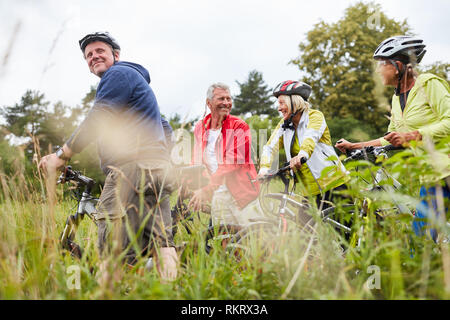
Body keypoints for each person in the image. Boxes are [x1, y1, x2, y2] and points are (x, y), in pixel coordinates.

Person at [38, 32, 178, 281]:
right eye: (88, 55)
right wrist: (158, 159)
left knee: (110, 248)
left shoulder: (118, 74)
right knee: (162, 245)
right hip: (156, 172)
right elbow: (165, 128)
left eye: (99, 51)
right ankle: (175, 293)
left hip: (129, 169)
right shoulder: (136, 82)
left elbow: (99, 117)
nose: (93, 57)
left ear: (116, 55)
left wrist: (62, 154)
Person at [335, 35, 450, 242]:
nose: (378, 70)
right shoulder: (397, 99)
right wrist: (356, 145)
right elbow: (390, 138)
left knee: (420, 239)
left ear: (398, 65)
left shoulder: (428, 83)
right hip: (430, 175)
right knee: (421, 238)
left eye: (382, 64)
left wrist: (413, 135)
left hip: (445, 172)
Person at [259, 80, 348, 210]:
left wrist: (301, 155)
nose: (279, 108)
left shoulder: (315, 116)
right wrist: (264, 168)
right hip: (309, 193)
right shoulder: (284, 125)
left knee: (343, 229)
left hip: (335, 185)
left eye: (282, 103)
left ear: (293, 102)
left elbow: (310, 139)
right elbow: (269, 147)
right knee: (305, 228)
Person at [188, 83, 262, 227]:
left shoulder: (239, 126)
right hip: (218, 196)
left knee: (255, 240)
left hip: (243, 194)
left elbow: (233, 160)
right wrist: (195, 187)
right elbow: (196, 161)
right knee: (223, 242)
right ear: (209, 103)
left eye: (229, 99)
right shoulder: (200, 127)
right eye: (221, 99)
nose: (226, 103)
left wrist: (207, 188)